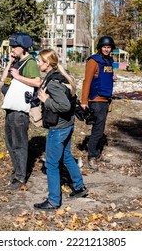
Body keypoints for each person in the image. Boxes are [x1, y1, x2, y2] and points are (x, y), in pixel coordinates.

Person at [33, 49, 88, 210]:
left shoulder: (53, 83)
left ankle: (53, 201)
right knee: (66, 157)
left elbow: (64, 105)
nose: (38, 63)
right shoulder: (62, 74)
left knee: (51, 164)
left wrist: (47, 100)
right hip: (68, 124)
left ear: (47, 64)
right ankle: (79, 187)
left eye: (40, 61)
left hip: (58, 128)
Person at [0, 32, 41, 190]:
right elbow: (4, 80)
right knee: (10, 143)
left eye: (14, 47)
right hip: (10, 108)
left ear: (23, 47)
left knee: (19, 144)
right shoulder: (16, 62)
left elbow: (37, 82)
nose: (12, 49)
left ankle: (21, 177)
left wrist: (18, 77)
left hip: (20, 110)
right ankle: (17, 171)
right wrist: (10, 63)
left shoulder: (29, 62)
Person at [81, 35, 115, 170]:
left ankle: (96, 153)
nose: (107, 49)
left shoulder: (109, 61)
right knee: (97, 130)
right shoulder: (93, 61)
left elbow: (104, 76)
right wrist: (84, 101)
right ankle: (91, 157)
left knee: (100, 129)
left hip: (106, 99)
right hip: (96, 100)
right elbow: (87, 81)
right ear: (100, 48)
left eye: (109, 47)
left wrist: (113, 77)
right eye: (104, 47)